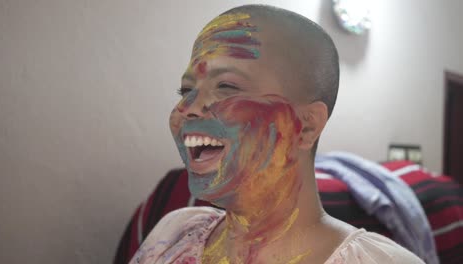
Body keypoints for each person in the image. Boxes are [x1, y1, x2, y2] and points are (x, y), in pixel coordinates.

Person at [129, 4, 424, 264]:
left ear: (306, 126)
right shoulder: (174, 234)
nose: (187, 107)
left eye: (227, 86)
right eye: (186, 89)